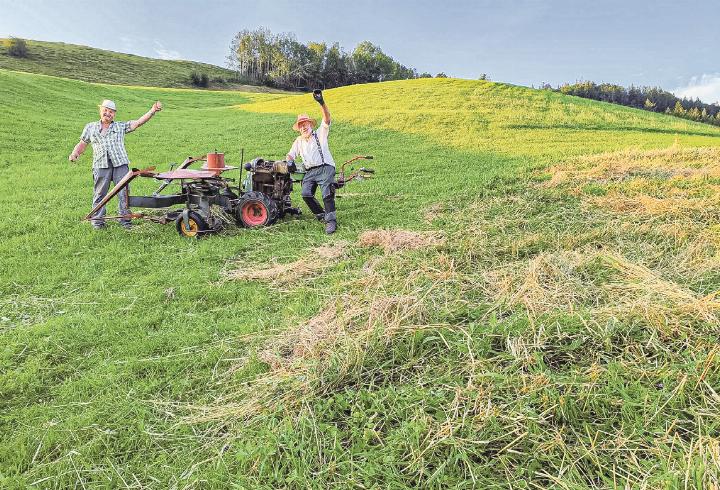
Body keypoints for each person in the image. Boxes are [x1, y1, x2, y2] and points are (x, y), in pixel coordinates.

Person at [69, 99, 162, 229]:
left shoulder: (120, 126)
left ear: (114, 114)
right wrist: (75, 154)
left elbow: (138, 122)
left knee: (124, 193)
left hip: (120, 165)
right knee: (100, 194)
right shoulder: (90, 127)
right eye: (105, 110)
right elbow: (82, 143)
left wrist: (152, 111)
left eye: (111, 111)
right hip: (100, 165)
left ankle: (125, 221)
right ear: (100, 111)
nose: (108, 113)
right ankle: (97, 222)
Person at [286, 90, 338, 234]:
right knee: (305, 193)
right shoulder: (298, 141)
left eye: (305, 124)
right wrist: (289, 161)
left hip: (325, 168)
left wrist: (321, 102)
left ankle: (331, 221)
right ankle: (321, 214)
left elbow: (327, 118)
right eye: (300, 125)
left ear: (310, 124)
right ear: (299, 129)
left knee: (326, 193)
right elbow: (290, 154)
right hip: (310, 171)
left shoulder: (320, 133)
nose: (303, 127)